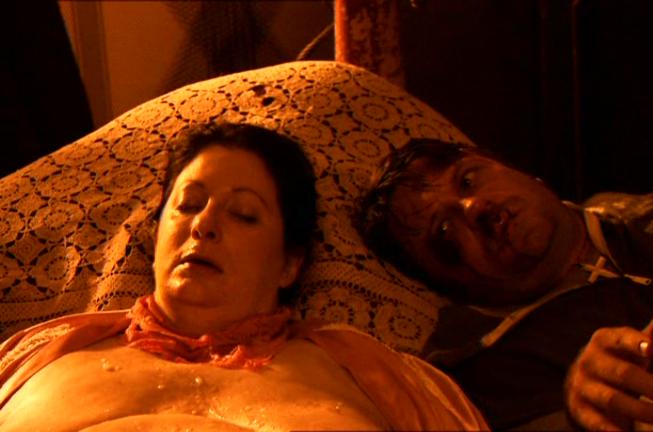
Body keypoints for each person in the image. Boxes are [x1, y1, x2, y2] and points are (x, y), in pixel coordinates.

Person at [0, 125, 489, 431]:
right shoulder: (39, 355)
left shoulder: (380, 375)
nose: (204, 225)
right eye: (188, 205)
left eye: (244, 215)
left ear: (290, 264)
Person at [358, 138, 653, 431]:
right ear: (444, 286)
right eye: (445, 232)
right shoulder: (475, 373)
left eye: (467, 180)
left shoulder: (648, 216)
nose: (476, 206)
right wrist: (579, 410)